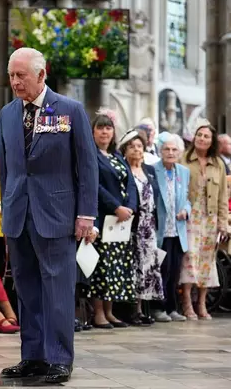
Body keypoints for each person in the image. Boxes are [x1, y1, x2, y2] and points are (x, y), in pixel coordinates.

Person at [0, 47, 98, 384]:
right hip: (18, 213)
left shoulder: (70, 110)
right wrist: (7, 206)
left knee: (57, 289)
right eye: (11, 75)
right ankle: (33, 357)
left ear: (41, 75)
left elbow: (86, 165)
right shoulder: (8, 114)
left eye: (20, 75)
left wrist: (86, 214)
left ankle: (58, 360)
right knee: (26, 289)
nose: (14, 82)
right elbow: (7, 167)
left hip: (56, 214)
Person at [89, 110, 137, 329]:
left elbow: (131, 184)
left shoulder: (118, 156)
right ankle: (98, 312)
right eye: (100, 128)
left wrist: (130, 207)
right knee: (100, 267)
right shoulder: (91, 155)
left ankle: (110, 312)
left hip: (120, 221)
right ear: (93, 132)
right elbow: (94, 186)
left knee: (114, 267)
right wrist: (116, 207)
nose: (105, 132)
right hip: (103, 217)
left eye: (108, 128)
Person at [180, 119, 228, 320]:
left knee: (207, 260)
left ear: (212, 141)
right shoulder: (184, 159)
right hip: (190, 216)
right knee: (190, 257)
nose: (202, 138)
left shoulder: (218, 163)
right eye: (199, 135)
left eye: (206, 136)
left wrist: (223, 222)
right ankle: (187, 303)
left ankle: (202, 302)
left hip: (210, 217)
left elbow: (223, 194)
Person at [119, 129, 163, 326]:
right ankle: (130, 310)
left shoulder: (149, 170)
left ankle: (142, 308)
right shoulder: (124, 169)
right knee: (132, 266)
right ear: (125, 150)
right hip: (132, 224)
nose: (136, 150)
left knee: (147, 267)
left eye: (139, 146)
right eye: (132, 147)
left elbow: (156, 197)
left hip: (148, 225)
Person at [151, 132, 191, 323]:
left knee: (175, 271)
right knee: (161, 269)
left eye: (174, 149)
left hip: (178, 229)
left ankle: (172, 307)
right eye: (166, 149)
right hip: (160, 229)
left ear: (179, 152)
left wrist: (186, 210)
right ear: (160, 151)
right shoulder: (152, 169)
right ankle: (158, 308)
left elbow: (188, 199)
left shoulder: (183, 172)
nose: (170, 152)